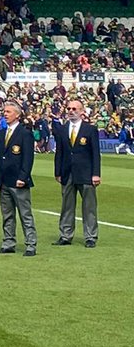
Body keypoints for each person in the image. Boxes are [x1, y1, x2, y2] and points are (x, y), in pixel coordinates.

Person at [0, 101, 37, 256]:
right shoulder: (2, 133)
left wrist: (23, 176)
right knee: (7, 214)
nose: (5, 114)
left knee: (25, 214)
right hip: (4, 180)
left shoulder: (25, 133)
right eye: (5, 111)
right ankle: (8, 242)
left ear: (17, 114)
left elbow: (28, 158)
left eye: (8, 112)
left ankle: (31, 244)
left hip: (18, 180)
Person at [52, 99, 101, 248]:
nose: (71, 111)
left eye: (74, 108)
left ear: (81, 111)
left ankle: (90, 236)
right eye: (69, 108)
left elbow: (95, 154)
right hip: (67, 173)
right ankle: (66, 235)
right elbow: (59, 152)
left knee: (89, 207)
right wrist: (58, 172)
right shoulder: (62, 129)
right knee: (67, 206)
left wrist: (96, 174)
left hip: (86, 173)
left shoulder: (90, 129)